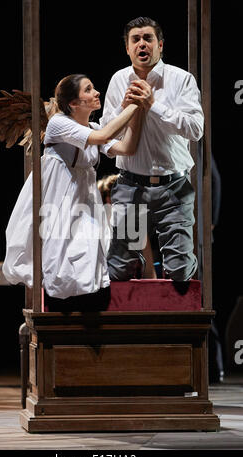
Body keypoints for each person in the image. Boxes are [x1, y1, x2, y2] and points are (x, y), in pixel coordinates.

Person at [2, 74, 145, 311]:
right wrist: (132, 105)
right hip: (60, 196)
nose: (96, 92)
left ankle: (82, 313)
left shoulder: (93, 126)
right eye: (89, 89)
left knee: (89, 250)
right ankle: (62, 316)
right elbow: (103, 137)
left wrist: (137, 112)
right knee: (63, 252)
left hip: (83, 196)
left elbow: (127, 148)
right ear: (73, 103)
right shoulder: (59, 123)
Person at [100, 17, 204, 283]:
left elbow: (195, 129)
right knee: (119, 268)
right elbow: (106, 137)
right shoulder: (118, 80)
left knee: (180, 270)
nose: (142, 44)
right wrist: (125, 112)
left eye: (148, 38)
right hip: (131, 186)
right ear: (127, 48)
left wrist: (153, 105)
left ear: (160, 45)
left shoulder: (182, 79)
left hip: (174, 188)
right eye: (135, 40)